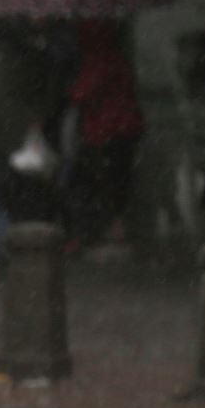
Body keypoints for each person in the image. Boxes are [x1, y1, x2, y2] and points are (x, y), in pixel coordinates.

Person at [64, 19, 144, 248]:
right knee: (118, 184)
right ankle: (117, 232)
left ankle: (102, 235)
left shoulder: (98, 60)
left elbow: (81, 93)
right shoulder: (119, 59)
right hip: (124, 130)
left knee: (98, 185)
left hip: (104, 132)